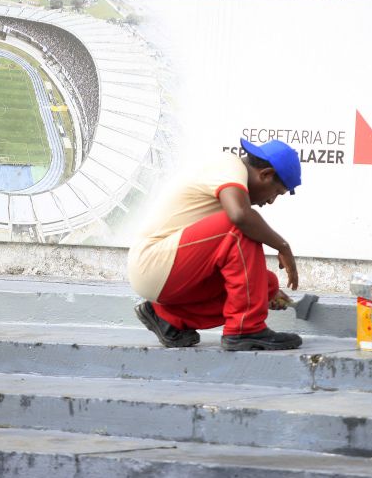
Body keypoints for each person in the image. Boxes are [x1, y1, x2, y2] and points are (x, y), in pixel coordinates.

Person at [127, 138, 303, 351]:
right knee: (240, 226)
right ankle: (246, 329)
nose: (271, 201)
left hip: (168, 274)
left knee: (265, 284)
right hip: (153, 262)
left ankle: (167, 317)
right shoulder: (229, 165)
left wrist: (263, 292)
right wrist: (283, 246)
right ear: (265, 174)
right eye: (276, 192)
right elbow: (239, 216)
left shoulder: (234, 185)